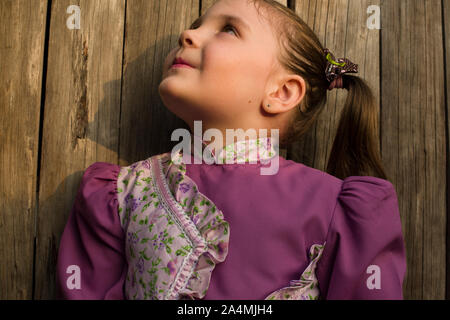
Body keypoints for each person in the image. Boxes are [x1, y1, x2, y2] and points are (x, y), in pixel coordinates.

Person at [56, 0, 406, 300]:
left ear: (281, 92)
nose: (187, 35)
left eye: (228, 29)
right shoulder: (120, 193)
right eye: (196, 25)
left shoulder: (333, 207)